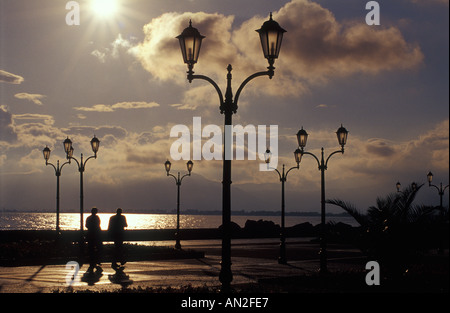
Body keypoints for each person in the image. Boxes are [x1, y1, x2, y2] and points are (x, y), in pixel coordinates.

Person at [85, 207, 103, 274]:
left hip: (90, 235)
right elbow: (98, 225)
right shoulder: (97, 218)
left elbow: (86, 225)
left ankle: (91, 261)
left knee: (91, 249)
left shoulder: (88, 218)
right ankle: (97, 260)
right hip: (97, 235)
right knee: (99, 248)